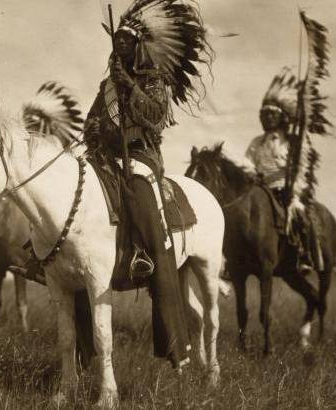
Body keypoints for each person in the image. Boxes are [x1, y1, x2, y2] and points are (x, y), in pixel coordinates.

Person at [84, 0, 213, 370]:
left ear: (139, 46)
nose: (120, 47)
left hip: (140, 159)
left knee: (142, 205)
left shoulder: (152, 80)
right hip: (107, 158)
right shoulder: (107, 84)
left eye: (126, 42)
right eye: (117, 42)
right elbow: (94, 118)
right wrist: (93, 133)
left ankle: (148, 259)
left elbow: (155, 119)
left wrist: (132, 89)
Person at [245, 68, 321, 273]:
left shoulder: (292, 143)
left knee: (299, 214)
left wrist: (294, 191)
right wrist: (252, 176)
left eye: (272, 114)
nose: (267, 118)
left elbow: (302, 170)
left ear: (281, 118)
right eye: (264, 114)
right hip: (260, 190)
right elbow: (248, 164)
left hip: (285, 191)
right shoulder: (256, 143)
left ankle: (304, 255)